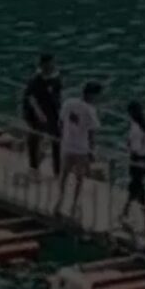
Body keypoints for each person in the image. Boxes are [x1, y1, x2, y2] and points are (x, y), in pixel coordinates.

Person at [53, 81, 103, 223]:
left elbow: (60, 122)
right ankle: (74, 204)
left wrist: (64, 136)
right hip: (81, 149)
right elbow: (92, 133)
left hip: (67, 145)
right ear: (92, 95)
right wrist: (92, 151)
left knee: (64, 175)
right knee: (79, 178)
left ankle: (60, 199)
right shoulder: (90, 110)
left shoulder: (69, 103)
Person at [22, 53, 62, 180]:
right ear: (43, 65)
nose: (51, 66)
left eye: (53, 63)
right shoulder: (35, 80)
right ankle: (34, 167)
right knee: (34, 138)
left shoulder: (56, 78)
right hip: (36, 114)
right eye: (49, 64)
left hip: (52, 112)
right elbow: (30, 97)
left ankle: (57, 170)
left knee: (57, 140)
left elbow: (58, 95)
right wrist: (39, 113)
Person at [119, 100, 145, 234]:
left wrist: (128, 145)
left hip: (137, 160)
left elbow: (135, 147)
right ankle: (126, 211)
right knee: (136, 186)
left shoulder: (135, 128)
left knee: (137, 187)